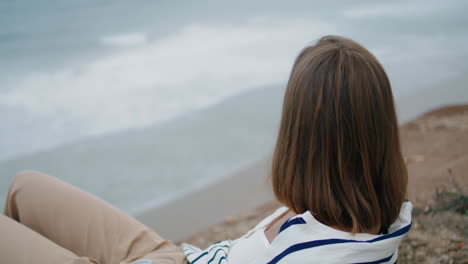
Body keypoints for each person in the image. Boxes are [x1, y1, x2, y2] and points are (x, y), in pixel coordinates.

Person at [0, 35, 411, 264]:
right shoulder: (374, 209)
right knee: (25, 186)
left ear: (303, 139)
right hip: (182, 259)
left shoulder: (318, 256)